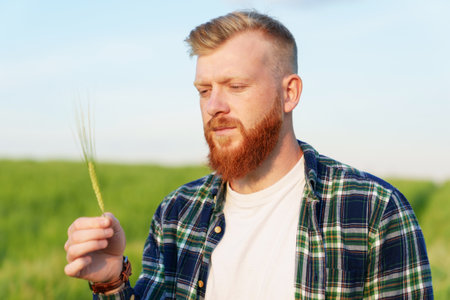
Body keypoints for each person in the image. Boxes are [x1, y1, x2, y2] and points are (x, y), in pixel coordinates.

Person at [64, 10, 433, 299]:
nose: (214, 106)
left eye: (236, 86)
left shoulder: (372, 210)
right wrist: (112, 282)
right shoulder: (177, 213)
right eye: (203, 90)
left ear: (289, 93)